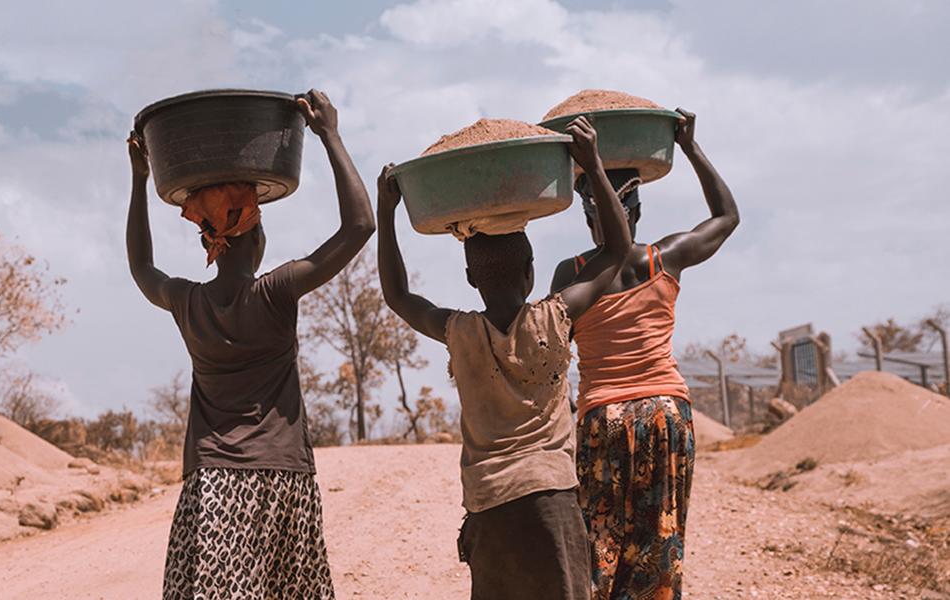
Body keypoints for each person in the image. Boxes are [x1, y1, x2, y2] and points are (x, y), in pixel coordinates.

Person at [127, 89, 374, 600]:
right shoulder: (275, 292)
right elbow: (360, 226)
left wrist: (139, 179)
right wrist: (330, 134)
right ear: (255, 237)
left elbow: (141, 267)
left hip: (212, 483)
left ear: (210, 245)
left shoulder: (187, 302)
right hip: (282, 476)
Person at [378, 117, 632, 600]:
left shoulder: (460, 332)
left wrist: (387, 210)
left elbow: (398, 295)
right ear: (532, 271)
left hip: (490, 505)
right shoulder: (556, 317)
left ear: (471, 278)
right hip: (552, 500)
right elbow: (617, 251)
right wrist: (593, 165)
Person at [549, 108, 739, 600]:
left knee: (598, 549)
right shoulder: (666, 258)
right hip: (666, 415)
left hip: (603, 418)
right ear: (636, 212)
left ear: (591, 214)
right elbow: (727, 217)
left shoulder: (570, 276)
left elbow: (551, 358)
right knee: (659, 547)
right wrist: (691, 147)